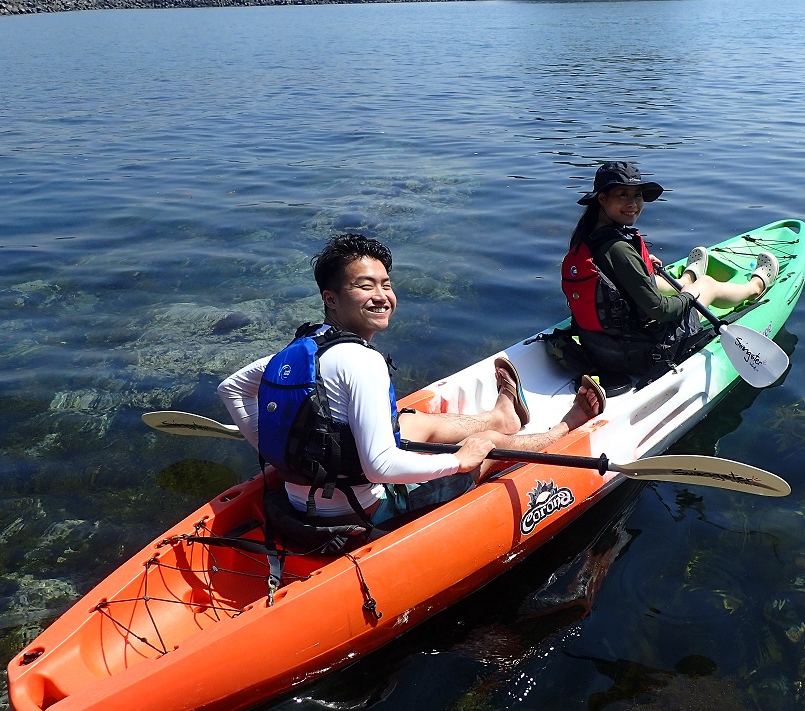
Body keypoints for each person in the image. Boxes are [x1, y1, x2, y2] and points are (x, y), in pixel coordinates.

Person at [219, 233, 604, 551]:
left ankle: (501, 415)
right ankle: (565, 427)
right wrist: (462, 460)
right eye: (364, 285)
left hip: (301, 498)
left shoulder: (303, 347)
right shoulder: (361, 362)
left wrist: (278, 454)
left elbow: (231, 388)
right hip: (363, 511)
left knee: (409, 422)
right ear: (330, 298)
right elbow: (380, 468)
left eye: (385, 284)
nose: (381, 295)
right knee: (485, 444)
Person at [562, 161, 778, 377]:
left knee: (655, 282)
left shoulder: (586, 238)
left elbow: (612, 283)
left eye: (637, 195)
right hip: (642, 353)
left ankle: (685, 278)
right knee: (706, 285)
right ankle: (755, 287)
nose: (633, 203)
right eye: (623, 195)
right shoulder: (619, 249)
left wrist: (641, 264)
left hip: (600, 349)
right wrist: (690, 294)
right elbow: (662, 312)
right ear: (602, 198)